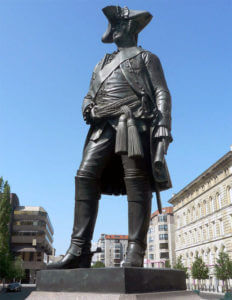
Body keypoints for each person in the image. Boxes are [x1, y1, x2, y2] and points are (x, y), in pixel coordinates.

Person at [48, 5, 172, 269]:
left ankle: (136, 250)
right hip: (101, 124)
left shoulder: (147, 58)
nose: (113, 31)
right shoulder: (102, 63)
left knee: (136, 180)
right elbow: (89, 94)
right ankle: (79, 249)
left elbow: (162, 92)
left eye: (117, 25)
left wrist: (163, 125)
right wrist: (87, 107)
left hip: (133, 122)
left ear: (129, 28)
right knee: (84, 175)